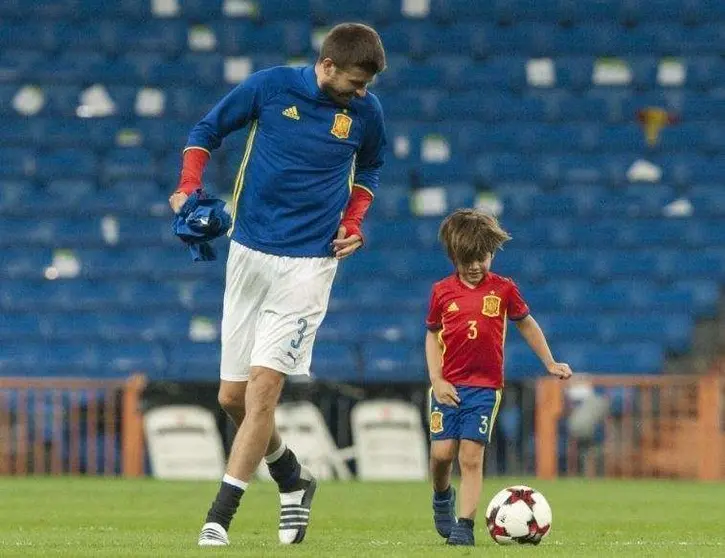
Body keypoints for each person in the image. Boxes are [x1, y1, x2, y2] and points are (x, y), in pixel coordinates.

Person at [167, 23, 387, 546]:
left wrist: (354, 222)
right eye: (356, 82)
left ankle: (218, 518)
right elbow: (205, 131)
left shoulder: (366, 113)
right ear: (328, 65)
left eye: (368, 85)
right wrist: (187, 187)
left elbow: (370, 171)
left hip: (308, 266)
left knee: (263, 393)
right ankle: (293, 477)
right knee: (232, 399)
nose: (362, 93)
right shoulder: (270, 87)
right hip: (248, 253)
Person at [425, 209, 572, 546]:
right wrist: (437, 378)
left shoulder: (503, 289)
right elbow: (432, 335)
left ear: (491, 253)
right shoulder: (441, 292)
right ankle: (441, 496)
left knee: (470, 457)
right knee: (442, 455)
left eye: (482, 257)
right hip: (447, 386)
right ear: (453, 257)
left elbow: (527, 323)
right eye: (467, 259)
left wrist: (549, 362)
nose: (476, 266)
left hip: (484, 389)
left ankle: (464, 526)